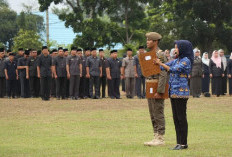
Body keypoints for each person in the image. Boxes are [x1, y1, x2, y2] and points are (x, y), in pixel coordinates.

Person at [155, 40, 193, 150]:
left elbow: (173, 69)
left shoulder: (186, 61)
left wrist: (160, 63)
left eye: (177, 47)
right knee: (176, 118)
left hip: (181, 93)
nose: (175, 49)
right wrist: (157, 62)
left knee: (181, 118)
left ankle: (183, 143)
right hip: (173, 92)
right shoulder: (177, 60)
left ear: (183, 48)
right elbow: (164, 66)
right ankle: (178, 142)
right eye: (175, 47)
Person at [144, 32, 167, 146]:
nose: (147, 42)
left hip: (157, 86)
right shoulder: (148, 54)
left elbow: (163, 73)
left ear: (155, 41)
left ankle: (161, 138)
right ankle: (155, 135)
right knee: (152, 112)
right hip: (150, 85)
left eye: (149, 40)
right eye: (147, 40)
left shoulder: (160, 54)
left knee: (158, 111)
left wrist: (160, 90)